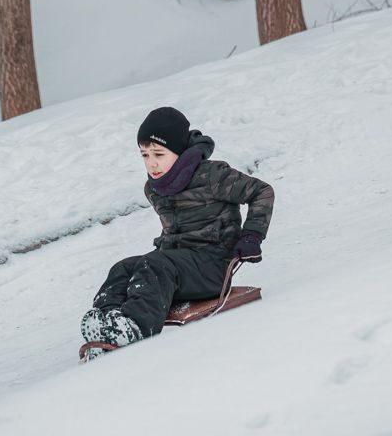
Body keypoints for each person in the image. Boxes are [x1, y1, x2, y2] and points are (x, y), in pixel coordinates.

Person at [80, 106, 274, 351]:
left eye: (159, 154)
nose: (152, 164)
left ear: (179, 151)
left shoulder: (213, 176)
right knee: (124, 268)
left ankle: (134, 327)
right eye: (145, 155)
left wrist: (252, 236)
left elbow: (262, 191)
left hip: (213, 266)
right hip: (179, 265)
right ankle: (106, 321)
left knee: (156, 265)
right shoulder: (154, 189)